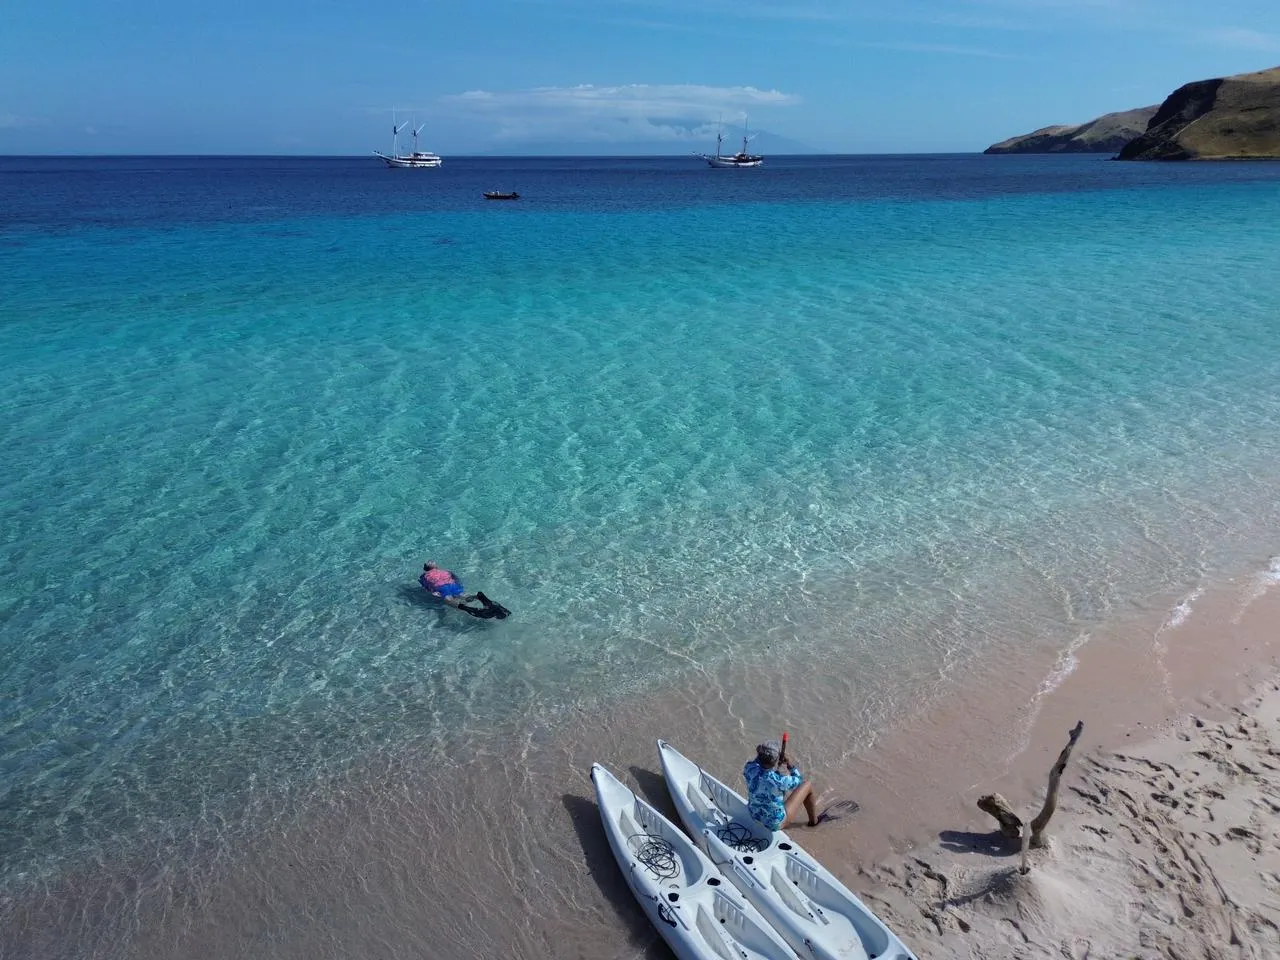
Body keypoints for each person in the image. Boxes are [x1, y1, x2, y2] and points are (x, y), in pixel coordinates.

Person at [743, 739, 818, 831]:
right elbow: (799, 781)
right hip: (773, 824)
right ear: (775, 761)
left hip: (754, 814)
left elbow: (758, 764)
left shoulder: (749, 768)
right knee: (807, 785)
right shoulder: (780, 781)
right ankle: (814, 822)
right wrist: (789, 765)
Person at [419, 562, 511, 620]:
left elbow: (427, 586)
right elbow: (456, 578)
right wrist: (459, 586)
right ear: (437, 567)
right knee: (463, 595)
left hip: (441, 587)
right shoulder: (445, 571)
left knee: (448, 600)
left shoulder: (424, 576)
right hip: (453, 584)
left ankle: (464, 608)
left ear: (425, 569)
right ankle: (477, 596)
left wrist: (433, 592)